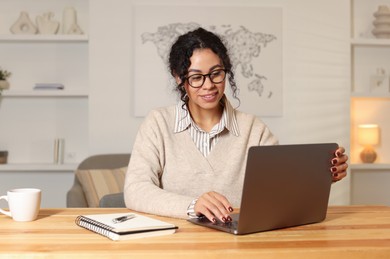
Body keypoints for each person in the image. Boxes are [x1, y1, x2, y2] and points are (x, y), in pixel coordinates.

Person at [124, 27, 348, 223]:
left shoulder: (254, 129)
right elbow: (135, 190)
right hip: (176, 245)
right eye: (196, 77)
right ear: (178, 78)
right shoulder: (158, 123)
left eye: (216, 73)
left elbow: (281, 190)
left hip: (241, 242)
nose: (209, 85)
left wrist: (321, 175)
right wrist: (193, 205)